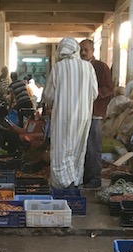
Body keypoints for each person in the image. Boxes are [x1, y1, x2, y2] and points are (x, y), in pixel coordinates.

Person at [45, 37, 98, 189]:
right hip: (83, 117)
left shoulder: (58, 68)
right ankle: (74, 181)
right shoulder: (88, 67)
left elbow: (49, 96)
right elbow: (94, 93)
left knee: (61, 150)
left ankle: (62, 184)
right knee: (77, 148)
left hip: (63, 116)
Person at [79, 38, 113, 189]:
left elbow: (108, 89)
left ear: (93, 51)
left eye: (86, 50)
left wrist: (93, 94)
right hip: (80, 114)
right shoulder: (78, 67)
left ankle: (95, 177)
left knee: (93, 146)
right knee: (82, 146)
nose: (83, 53)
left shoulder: (101, 67)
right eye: (81, 50)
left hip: (95, 113)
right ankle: (85, 176)